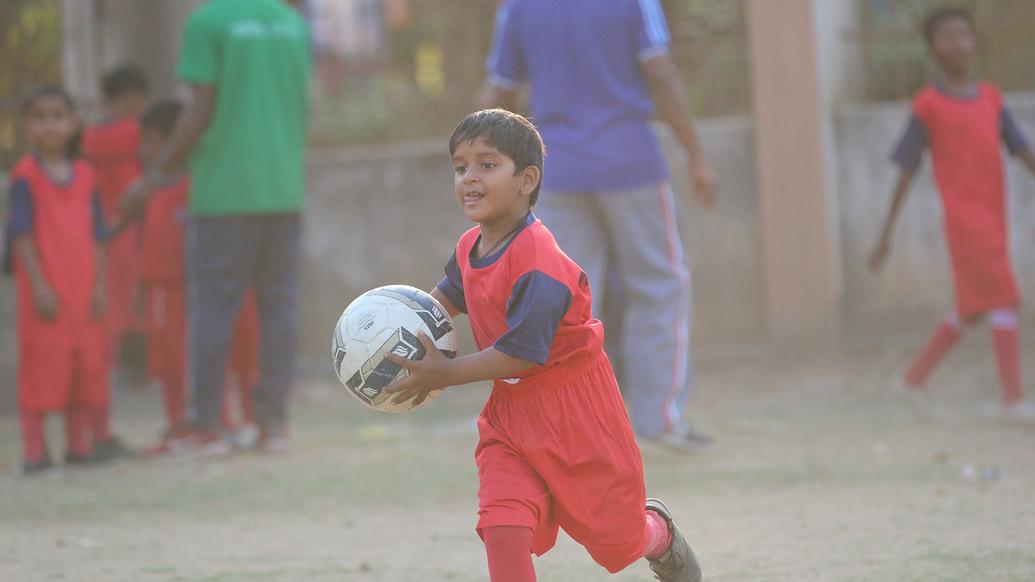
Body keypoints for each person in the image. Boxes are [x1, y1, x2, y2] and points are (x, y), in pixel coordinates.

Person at [383, 109, 702, 582]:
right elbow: (448, 296)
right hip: (510, 416)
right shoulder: (471, 244)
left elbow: (522, 353)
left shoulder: (539, 261)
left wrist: (446, 373)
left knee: (615, 537)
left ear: (527, 179)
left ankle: (658, 535)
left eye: (487, 165)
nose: (470, 177)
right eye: (461, 166)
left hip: (576, 410)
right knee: (502, 524)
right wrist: (397, 332)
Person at [477, 0, 718, 451]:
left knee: (560, 301)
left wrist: (480, 170)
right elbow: (661, 73)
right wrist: (696, 155)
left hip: (557, 171)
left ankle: (572, 427)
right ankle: (659, 420)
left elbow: (497, 94)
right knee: (660, 286)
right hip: (633, 166)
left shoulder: (519, 8)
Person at [119, 0, 310, 455]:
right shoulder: (293, 25)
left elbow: (200, 108)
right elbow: (300, 104)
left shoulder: (207, 21)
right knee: (278, 310)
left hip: (225, 196)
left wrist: (154, 177)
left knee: (213, 312)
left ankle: (206, 426)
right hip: (283, 191)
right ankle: (272, 425)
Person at [870, 7, 1035, 420]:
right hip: (965, 222)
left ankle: (911, 381)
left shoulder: (992, 99)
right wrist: (885, 233)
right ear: (933, 48)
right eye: (948, 36)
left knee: (973, 309)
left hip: (994, 217)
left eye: (964, 34)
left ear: (973, 41)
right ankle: (1014, 400)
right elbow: (906, 170)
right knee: (1004, 299)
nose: (958, 42)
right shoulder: (927, 106)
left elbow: (1021, 150)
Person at [3, 86, 108, 473]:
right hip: (47, 295)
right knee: (42, 365)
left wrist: (100, 287)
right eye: (40, 118)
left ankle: (78, 444)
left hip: (83, 291)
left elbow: (98, 235)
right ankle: (35, 448)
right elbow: (21, 236)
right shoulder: (25, 177)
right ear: (26, 126)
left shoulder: (87, 175)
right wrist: (39, 287)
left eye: (57, 116)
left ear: (73, 123)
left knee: (84, 364)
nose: (49, 126)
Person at [80, 65, 150, 459]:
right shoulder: (133, 133)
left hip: (98, 237)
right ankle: (100, 425)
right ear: (129, 97)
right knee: (123, 323)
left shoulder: (90, 136)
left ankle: (97, 423)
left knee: (103, 331)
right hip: (129, 237)